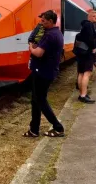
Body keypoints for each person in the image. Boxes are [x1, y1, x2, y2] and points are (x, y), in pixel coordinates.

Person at [23, 10, 65, 138]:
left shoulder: (49, 35)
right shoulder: (56, 33)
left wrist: (31, 46)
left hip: (42, 71)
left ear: (51, 21)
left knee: (40, 100)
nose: (41, 23)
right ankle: (34, 129)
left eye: (44, 21)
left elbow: (38, 53)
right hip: (47, 71)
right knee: (36, 100)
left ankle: (58, 127)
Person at [75, 11, 96, 104]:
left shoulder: (84, 25)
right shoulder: (89, 25)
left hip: (81, 53)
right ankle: (83, 95)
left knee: (81, 73)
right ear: (89, 17)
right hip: (87, 53)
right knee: (87, 73)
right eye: (94, 16)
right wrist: (93, 48)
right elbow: (90, 38)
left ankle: (81, 94)